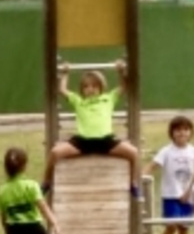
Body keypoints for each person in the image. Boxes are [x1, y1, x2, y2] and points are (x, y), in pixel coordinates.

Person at [42, 62, 140, 195]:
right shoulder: (79, 101)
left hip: (105, 140)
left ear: (101, 87)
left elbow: (124, 86)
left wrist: (121, 71)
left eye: (94, 86)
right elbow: (62, 90)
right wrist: (65, 73)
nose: (90, 89)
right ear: (82, 90)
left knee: (133, 153)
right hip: (83, 141)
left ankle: (133, 184)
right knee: (54, 153)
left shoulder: (108, 98)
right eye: (86, 86)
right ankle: (46, 182)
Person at [143, 116, 194, 234]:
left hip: (188, 196)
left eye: (185, 130)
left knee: (184, 228)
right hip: (171, 195)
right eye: (178, 130)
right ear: (172, 132)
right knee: (171, 227)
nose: (182, 133)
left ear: (191, 132)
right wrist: (142, 177)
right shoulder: (166, 151)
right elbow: (152, 166)